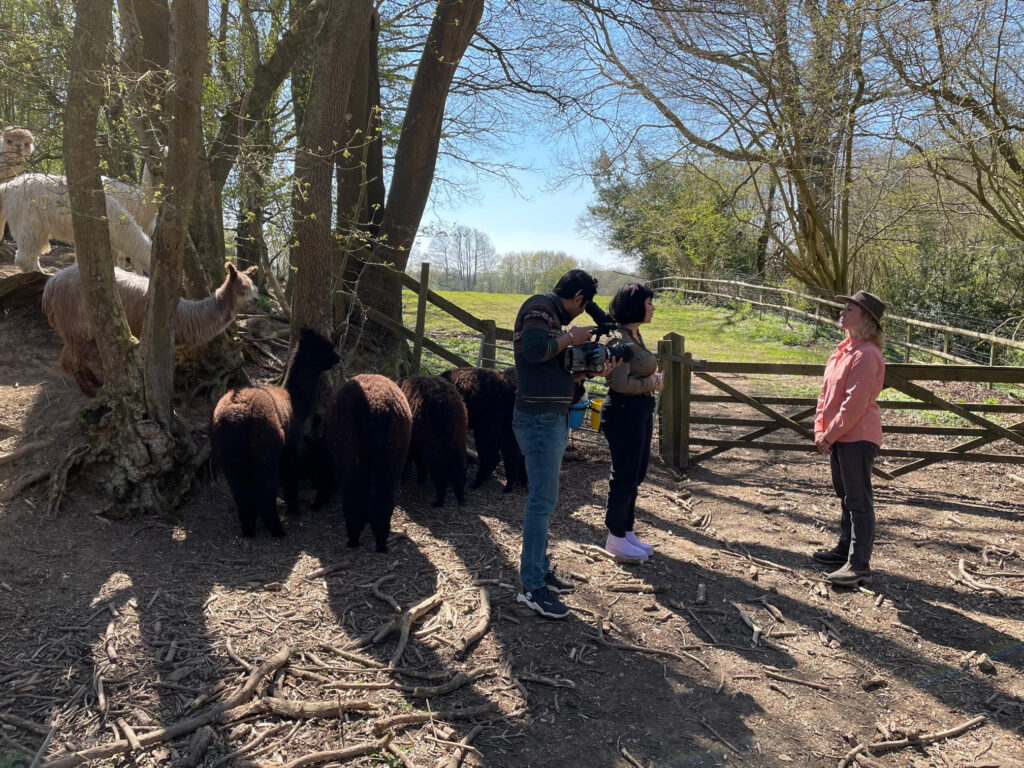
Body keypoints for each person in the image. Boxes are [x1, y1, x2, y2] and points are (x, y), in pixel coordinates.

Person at [512, 269, 620, 618]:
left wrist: (586, 372)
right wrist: (571, 338)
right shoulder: (540, 308)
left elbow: (550, 368)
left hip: (550, 416)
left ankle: (540, 571)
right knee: (541, 503)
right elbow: (533, 351)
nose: (581, 311)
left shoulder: (552, 318)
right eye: (583, 305)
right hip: (538, 419)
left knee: (545, 501)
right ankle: (531, 587)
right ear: (578, 299)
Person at [812, 290, 886, 587]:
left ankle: (859, 564)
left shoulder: (867, 354)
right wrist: (820, 429)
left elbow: (854, 404)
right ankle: (845, 548)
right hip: (839, 436)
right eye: (844, 306)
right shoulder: (842, 350)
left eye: (849, 308)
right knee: (845, 496)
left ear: (865, 318)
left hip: (857, 437)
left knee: (858, 500)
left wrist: (829, 434)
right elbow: (825, 395)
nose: (842, 311)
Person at [601, 282, 663, 560]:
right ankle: (614, 538)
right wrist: (650, 382)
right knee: (624, 475)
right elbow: (619, 382)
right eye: (649, 302)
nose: (652, 307)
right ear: (635, 305)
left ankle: (626, 531)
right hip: (624, 410)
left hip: (639, 409)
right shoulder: (618, 340)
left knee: (636, 474)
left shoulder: (634, 335)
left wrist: (649, 385)